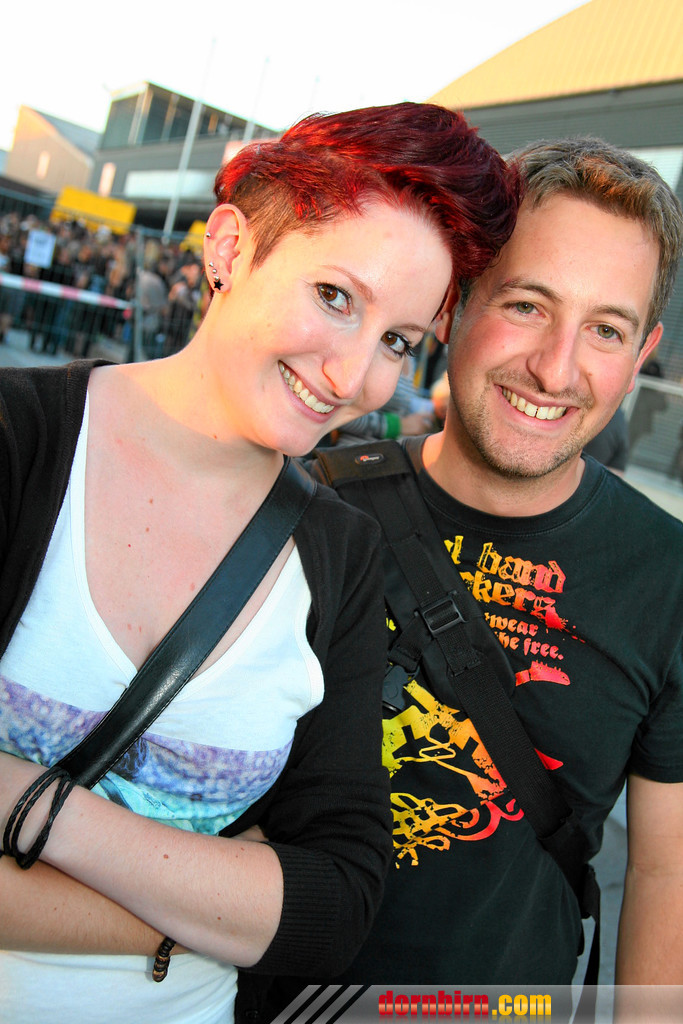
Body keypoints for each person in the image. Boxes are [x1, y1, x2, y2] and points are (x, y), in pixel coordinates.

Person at [0, 101, 519, 1024]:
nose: (353, 379)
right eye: (335, 297)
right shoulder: (20, 441)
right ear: (231, 249)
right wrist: (216, 911)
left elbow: (336, 901)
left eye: (397, 342)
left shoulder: (338, 553)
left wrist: (35, 809)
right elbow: (291, 910)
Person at [299, 137, 683, 1004]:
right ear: (453, 303)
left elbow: (665, 874)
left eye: (605, 330)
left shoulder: (667, 580)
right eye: (525, 305)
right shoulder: (310, 506)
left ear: (640, 354)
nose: (555, 368)